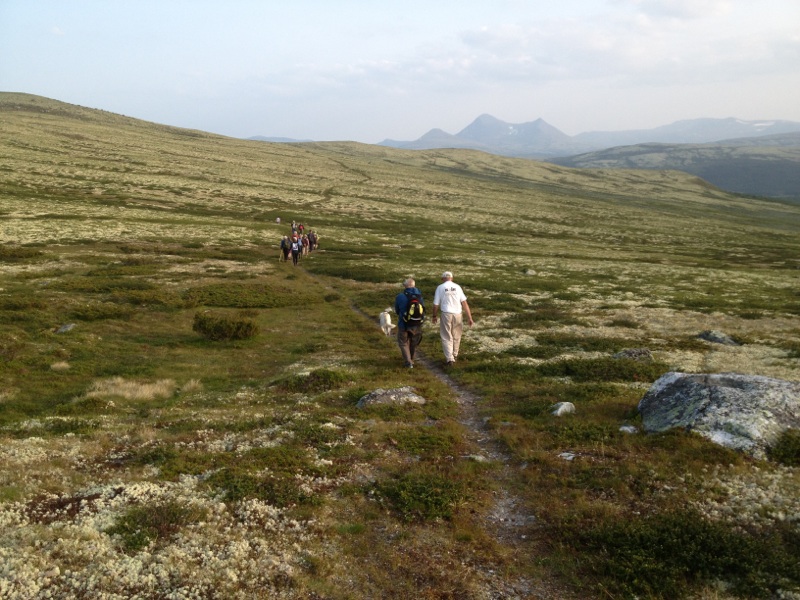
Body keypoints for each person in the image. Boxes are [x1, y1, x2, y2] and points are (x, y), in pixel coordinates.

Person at [432, 271, 474, 366]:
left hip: (446, 313)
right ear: (452, 278)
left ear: (442, 279)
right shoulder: (458, 287)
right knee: (457, 335)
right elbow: (464, 303)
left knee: (446, 336)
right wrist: (469, 318)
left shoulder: (440, 287)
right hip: (457, 313)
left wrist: (434, 316)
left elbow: (435, 304)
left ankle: (450, 358)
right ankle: (455, 354)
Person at [394, 277, 425, 369]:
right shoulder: (420, 296)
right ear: (414, 285)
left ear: (405, 286)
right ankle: (412, 358)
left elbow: (397, 310)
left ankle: (408, 362)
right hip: (416, 324)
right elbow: (423, 310)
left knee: (403, 342)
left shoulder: (400, 296)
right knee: (413, 342)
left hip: (403, 324)